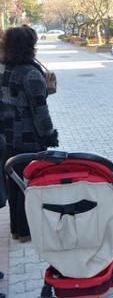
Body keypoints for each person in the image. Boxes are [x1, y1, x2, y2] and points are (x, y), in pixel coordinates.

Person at [0, 26, 59, 242]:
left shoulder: (5, 69)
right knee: (28, 185)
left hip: (6, 137)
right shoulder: (31, 73)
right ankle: (27, 231)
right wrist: (50, 134)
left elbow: (16, 102)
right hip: (27, 139)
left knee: (14, 183)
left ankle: (17, 229)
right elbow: (39, 112)